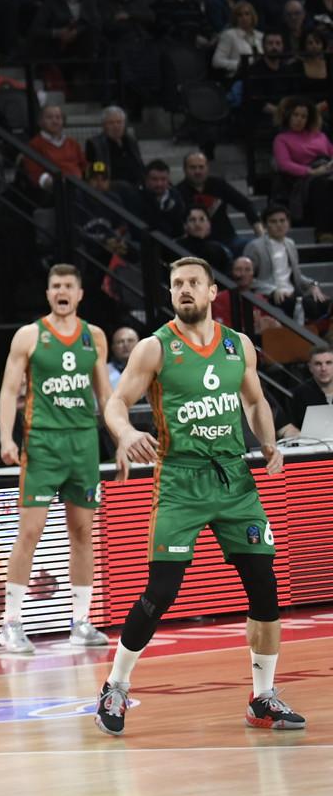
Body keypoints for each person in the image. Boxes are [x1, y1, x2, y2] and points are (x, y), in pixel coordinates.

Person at [98, 258, 304, 737]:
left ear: (213, 291)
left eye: (193, 283)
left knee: (264, 584)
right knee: (161, 592)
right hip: (181, 481)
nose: (184, 290)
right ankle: (115, 685)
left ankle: (262, 698)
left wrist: (268, 440)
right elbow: (114, 402)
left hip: (234, 480)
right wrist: (126, 433)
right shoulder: (155, 348)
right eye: (176, 284)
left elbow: (254, 401)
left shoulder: (238, 346)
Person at [0, 266, 113, 655]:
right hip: (43, 444)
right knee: (29, 533)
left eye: (69, 287)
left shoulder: (93, 336)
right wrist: (5, 437)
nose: (62, 291)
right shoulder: (29, 336)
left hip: (83, 444)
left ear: (80, 294)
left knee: (82, 533)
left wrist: (121, 441)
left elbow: (105, 396)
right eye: (56, 286)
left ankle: (80, 621)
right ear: (48, 293)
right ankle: (10, 623)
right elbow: (10, 389)